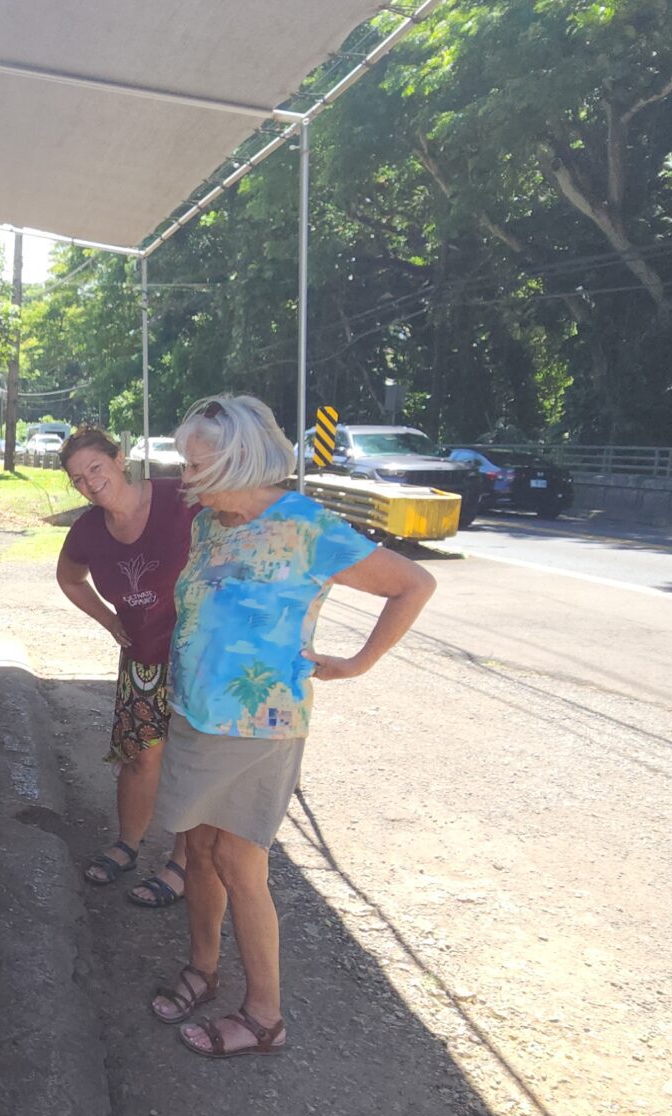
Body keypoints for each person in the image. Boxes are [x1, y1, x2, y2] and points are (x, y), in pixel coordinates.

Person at [148, 394, 434, 1058]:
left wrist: (358, 662)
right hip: (195, 713)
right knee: (197, 852)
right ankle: (203, 968)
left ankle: (264, 1015)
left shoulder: (305, 525)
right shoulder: (209, 524)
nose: (184, 477)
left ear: (239, 461)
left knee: (238, 861)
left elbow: (412, 584)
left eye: (196, 465)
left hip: (259, 724)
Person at [57, 427, 197, 907]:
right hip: (142, 658)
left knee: (192, 760)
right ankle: (128, 844)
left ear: (120, 459)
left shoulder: (181, 499)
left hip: (198, 655)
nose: (90, 483)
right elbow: (69, 579)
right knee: (141, 756)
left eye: (95, 468)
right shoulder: (87, 531)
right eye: (78, 479)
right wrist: (109, 619)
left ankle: (183, 863)